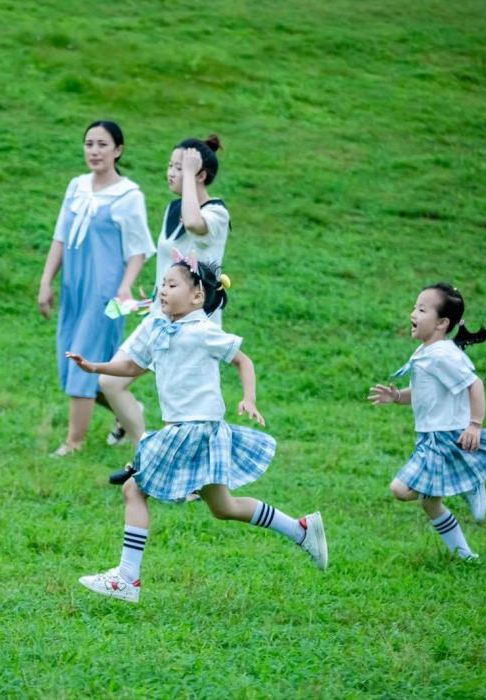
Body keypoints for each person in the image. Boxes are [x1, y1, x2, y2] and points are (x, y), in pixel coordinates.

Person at [66, 258, 328, 603]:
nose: (162, 289)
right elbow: (132, 365)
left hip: (196, 430)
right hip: (189, 431)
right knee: (224, 508)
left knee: (133, 489)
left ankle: (127, 578)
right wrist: (95, 366)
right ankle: (301, 529)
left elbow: (242, 360)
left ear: (197, 295)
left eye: (172, 285)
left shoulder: (202, 330)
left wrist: (249, 399)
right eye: (162, 283)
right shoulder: (160, 328)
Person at [100, 135, 230, 483]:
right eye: (171, 166)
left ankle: (192, 482)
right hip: (160, 319)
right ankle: (146, 456)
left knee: (184, 411)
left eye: (179, 168)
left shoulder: (215, 213)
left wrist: (189, 173)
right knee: (109, 381)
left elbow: (194, 225)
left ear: (199, 175)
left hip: (194, 328)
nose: (170, 173)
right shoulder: (173, 208)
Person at [367, 283, 486, 561]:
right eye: (414, 307)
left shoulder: (443, 355)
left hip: (444, 437)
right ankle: (464, 555)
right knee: (430, 503)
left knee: (400, 489)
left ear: (442, 323)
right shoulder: (427, 352)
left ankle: (470, 480)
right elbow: (425, 392)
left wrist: (476, 425)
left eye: (422, 309)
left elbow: (475, 384)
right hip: (429, 436)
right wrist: (397, 396)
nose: (413, 313)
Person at [38, 120, 155, 457]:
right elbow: (60, 236)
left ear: (118, 150)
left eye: (103, 144)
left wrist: (125, 288)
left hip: (106, 292)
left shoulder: (129, 195)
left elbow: (139, 249)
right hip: (74, 288)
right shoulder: (76, 186)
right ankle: (128, 409)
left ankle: (73, 443)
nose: (94, 151)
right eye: (89, 144)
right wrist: (47, 281)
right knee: (72, 363)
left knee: (83, 360)